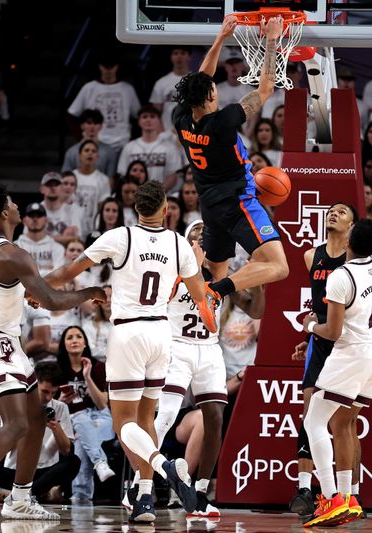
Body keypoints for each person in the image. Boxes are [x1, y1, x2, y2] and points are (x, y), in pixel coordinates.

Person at [43, 181, 214, 522]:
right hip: (161, 333)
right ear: (166, 209)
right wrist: (209, 315)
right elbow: (199, 294)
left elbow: (69, 271)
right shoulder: (179, 242)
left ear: (135, 209)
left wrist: (38, 288)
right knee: (146, 418)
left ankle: (163, 466)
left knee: (124, 423)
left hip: (128, 333)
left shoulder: (120, 236)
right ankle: (146, 499)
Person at [0, 183, 105, 523]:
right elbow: (52, 301)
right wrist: (91, 291)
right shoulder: (14, 253)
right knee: (15, 423)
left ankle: (21, 498)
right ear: (3, 213)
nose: (18, 206)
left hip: (5, 340)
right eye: (12, 203)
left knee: (35, 419)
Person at [171, 16, 289, 303]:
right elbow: (265, 89)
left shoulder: (181, 117)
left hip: (209, 204)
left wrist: (221, 38)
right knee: (278, 266)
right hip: (237, 202)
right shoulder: (223, 122)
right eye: (213, 89)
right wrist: (272, 40)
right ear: (210, 98)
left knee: (218, 269)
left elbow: (200, 79)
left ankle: (203, 293)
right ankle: (215, 291)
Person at [301, 219, 372, 527]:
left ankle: (331, 497)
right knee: (343, 422)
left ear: (349, 243)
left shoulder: (341, 276)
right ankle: (348, 499)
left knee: (314, 421)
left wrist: (308, 325)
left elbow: (332, 332)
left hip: (351, 355)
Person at [151, 220, 246, 517]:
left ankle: (201, 491)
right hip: (177, 345)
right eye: (195, 232)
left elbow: (256, 309)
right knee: (164, 416)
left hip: (208, 348)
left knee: (215, 417)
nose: (201, 236)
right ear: (185, 240)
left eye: (206, 232)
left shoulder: (220, 276)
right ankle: (143, 484)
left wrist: (259, 279)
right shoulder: (172, 269)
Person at [288, 202, 356, 516]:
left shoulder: (355, 260)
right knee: (309, 412)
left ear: (352, 225)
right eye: (331, 210)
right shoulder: (309, 256)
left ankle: (350, 494)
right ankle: (304, 489)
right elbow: (318, 306)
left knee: (345, 422)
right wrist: (308, 338)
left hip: (348, 344)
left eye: (342, 211)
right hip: (320, 341)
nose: (334, 213)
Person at [0, 361, 80, 504]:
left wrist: (56, 427)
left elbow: (66, 450)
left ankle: (19, 495)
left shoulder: (60, 407)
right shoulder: (16, 406)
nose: (48, 398)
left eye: (53, 393)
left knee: (74, 461)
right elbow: (6, 447)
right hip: (16, 470)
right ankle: (40, 494)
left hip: (46, 471)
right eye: (45, 392)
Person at [54, 325, 116, 503]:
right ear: (63, 344)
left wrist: (87, 377)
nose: (74, 340)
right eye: (70, 337)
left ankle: (81, 494)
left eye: (79, 337)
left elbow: (102, 403)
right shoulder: (58, 369)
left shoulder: (97, 367)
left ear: (85, 343)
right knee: (80, 423)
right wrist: (62, 400)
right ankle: (100, 464)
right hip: (70, 420)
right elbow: (52, 405)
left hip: (100, 418)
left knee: (82, 434)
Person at [67, 52, 140, 154]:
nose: (108, 70)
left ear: (116, 67)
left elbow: (138, 116)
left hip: (122, 143)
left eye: (111, 66)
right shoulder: (89, 88)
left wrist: (132, 138)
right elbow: (72, 115)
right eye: (105, 66)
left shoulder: (127, 89)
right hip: (96, 144)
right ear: (100, 67)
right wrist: (81, 136)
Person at [116, 106, 184, 193]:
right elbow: (123, 174)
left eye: (152, 116)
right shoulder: (129, 147)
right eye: (144, 117)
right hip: (135, 197)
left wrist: (158, 192)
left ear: (159, 121)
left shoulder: (170, 148)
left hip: (162, 197)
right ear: (139, 121)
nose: (148, 120)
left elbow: (173, 175)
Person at [62, 109, 118, 177]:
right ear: (82, 125)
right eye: (89, 123)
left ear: (101, 126)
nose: (92, 126)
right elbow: (65, 178)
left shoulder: (109, 152)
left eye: (96, 123)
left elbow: (110, 179)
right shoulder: (71, 152)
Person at [15, 202, 66, 275]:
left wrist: (30, 270)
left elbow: (58, 275)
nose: (35, 219)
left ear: (46, 221)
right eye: (31, 216)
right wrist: (47, 269)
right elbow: (17, 274)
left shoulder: (57, 248)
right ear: (24, 221)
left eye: (39, 215)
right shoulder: (16, 246)